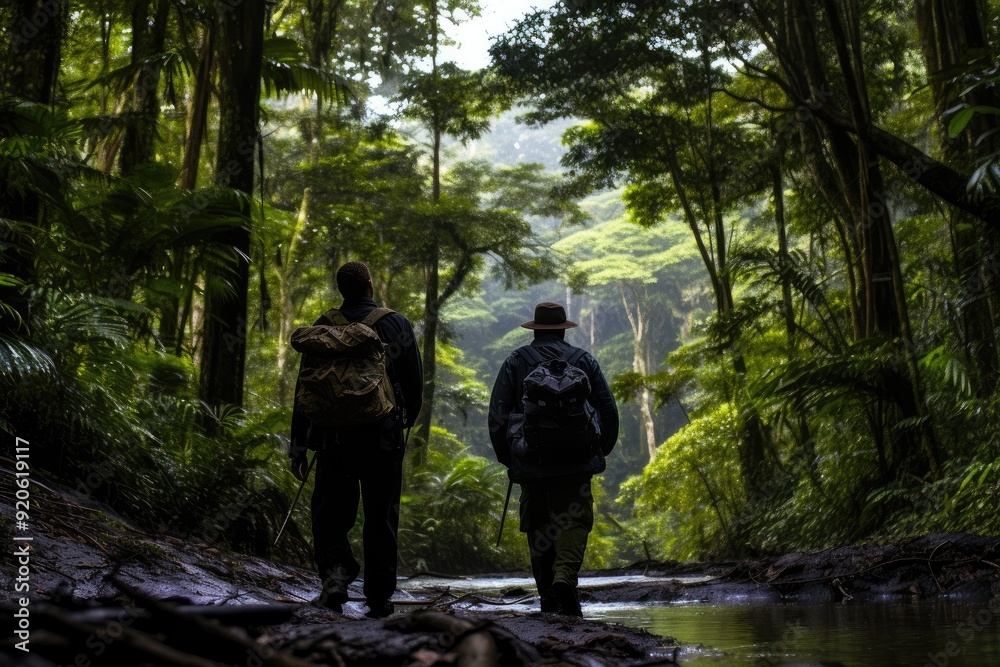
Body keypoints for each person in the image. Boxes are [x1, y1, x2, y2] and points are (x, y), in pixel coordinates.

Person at [289, 261, 422, 617]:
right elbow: (414, 383)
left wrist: (298, 444)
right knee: (381, 516)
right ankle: (379, 597)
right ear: (369, 284)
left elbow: (306, 388)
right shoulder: (394, 323)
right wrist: (404, 421)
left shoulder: (323, 327)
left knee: (331, 515)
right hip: (381, 437)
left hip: (332, 439)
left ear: (341, 289)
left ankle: (334, 582)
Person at [488, 302, 618, 616]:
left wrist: (510, 458)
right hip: (577, 460)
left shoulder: (516, 361)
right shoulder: (583, 360)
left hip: (531, 459)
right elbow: (607, 409)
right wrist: (600, 448)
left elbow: (498, 415)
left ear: (535, 329)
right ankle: (565, 579)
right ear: (563, 329)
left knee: (538, 524)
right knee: (574, 519)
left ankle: (548, 597)